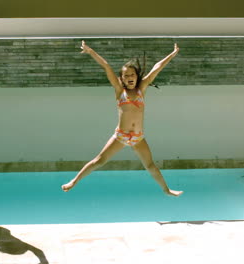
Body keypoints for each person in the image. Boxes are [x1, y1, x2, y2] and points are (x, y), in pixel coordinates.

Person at [62, 41, 183, 197]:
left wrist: (172, 55)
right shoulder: (120, 91)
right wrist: (90, 51)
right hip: (121, 136)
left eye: (132, 75)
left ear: (137, 76)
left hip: (138, 138)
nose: (129, 77)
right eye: (126, 76)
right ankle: (74, 181)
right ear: (122, 79)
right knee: (99, 160)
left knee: (151, 165)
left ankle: (166, 190)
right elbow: (106, 66)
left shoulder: (142, 89)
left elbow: (156, 69)